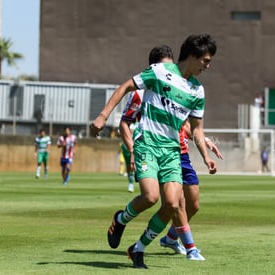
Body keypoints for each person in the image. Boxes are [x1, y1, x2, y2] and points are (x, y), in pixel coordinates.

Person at [90, 34, 217, 269]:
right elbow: (127, 86)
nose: (208, 66)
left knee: (171, 204)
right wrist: (103, 115)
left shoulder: (197, 91)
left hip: (171, 151)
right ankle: (120, 219)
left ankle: (138, 248)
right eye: (206, 61)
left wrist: (206, 156)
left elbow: (197, 130)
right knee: (150, 197)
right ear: (192, 56)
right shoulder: (160, 72)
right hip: (147, 142)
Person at [160, 120, 223, 254]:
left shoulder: (187, 104)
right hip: (167, 155)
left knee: (193, 206)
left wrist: (206, 141)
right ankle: (189, 248)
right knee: (176, 203)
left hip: (184, 158)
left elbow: (189, 128)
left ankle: (170, 239)